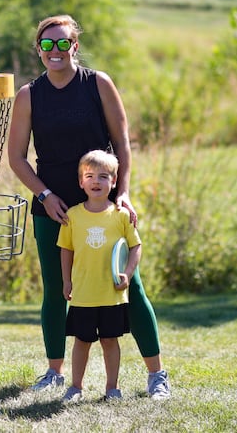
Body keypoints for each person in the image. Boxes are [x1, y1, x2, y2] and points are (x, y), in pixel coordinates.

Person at [7, 14, 171, 399]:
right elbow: (16, 158)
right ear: (39, 50)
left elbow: (123, 142)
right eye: (47, 45)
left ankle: (156, 375)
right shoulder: (29, 95)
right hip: (54, 211)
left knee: (131, 288)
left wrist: (123, 192)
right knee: (56, 290)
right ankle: (55, 372)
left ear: (74, 46)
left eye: (63, 43)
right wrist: (45, 196)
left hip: (104, 205)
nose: (55, 51)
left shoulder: (98, 83)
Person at [58, 150, 142, 403]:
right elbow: (66, 250)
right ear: (80, 182)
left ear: (114, 182)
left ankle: (112, 388)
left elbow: (135, 247)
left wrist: (127, 274)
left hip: (111, 295)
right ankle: (75, 387)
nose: (96, 181)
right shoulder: (72, 216)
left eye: (103, 176)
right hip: (83, 294)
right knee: (81, 342)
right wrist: (66, 281)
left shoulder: (121, 215)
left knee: (109, 341)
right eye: (90, 176)